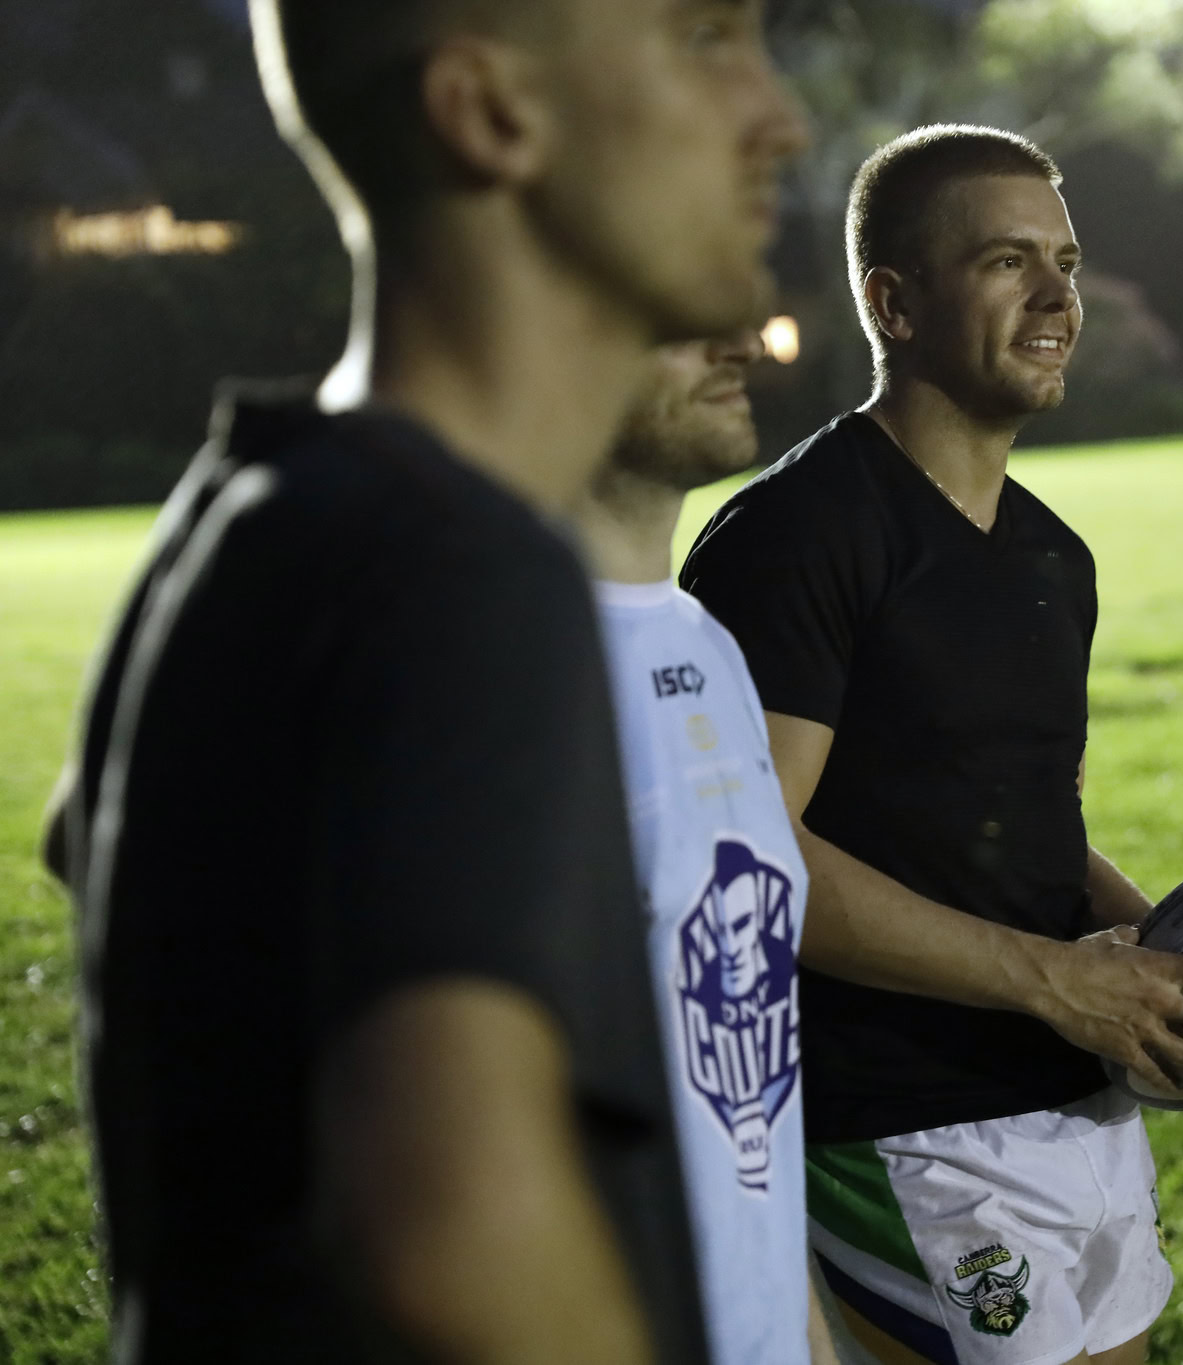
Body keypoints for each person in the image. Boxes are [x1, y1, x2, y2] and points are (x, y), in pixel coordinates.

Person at [40, 1, 805, 1360]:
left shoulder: (255, 522)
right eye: (705, 39)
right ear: (493, 114)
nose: (779, 116)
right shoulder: (458, 571)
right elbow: (458, 1249)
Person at [682, 125, 1183, 1365]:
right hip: (900, 1126)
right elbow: (747, 865)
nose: (1058, 295)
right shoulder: (796, 536)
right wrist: (1055, 979)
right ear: (891, 302)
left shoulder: (1053, 556)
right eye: (1009, 262)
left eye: (1063, 261)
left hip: (1080, 1099)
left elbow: (1023, 822)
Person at [570, 329, 842, 1365]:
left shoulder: (703, 642)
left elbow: (739, 1047)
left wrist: (800, 1328)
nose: (740, 339)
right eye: (675, 318)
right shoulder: (486, 666)